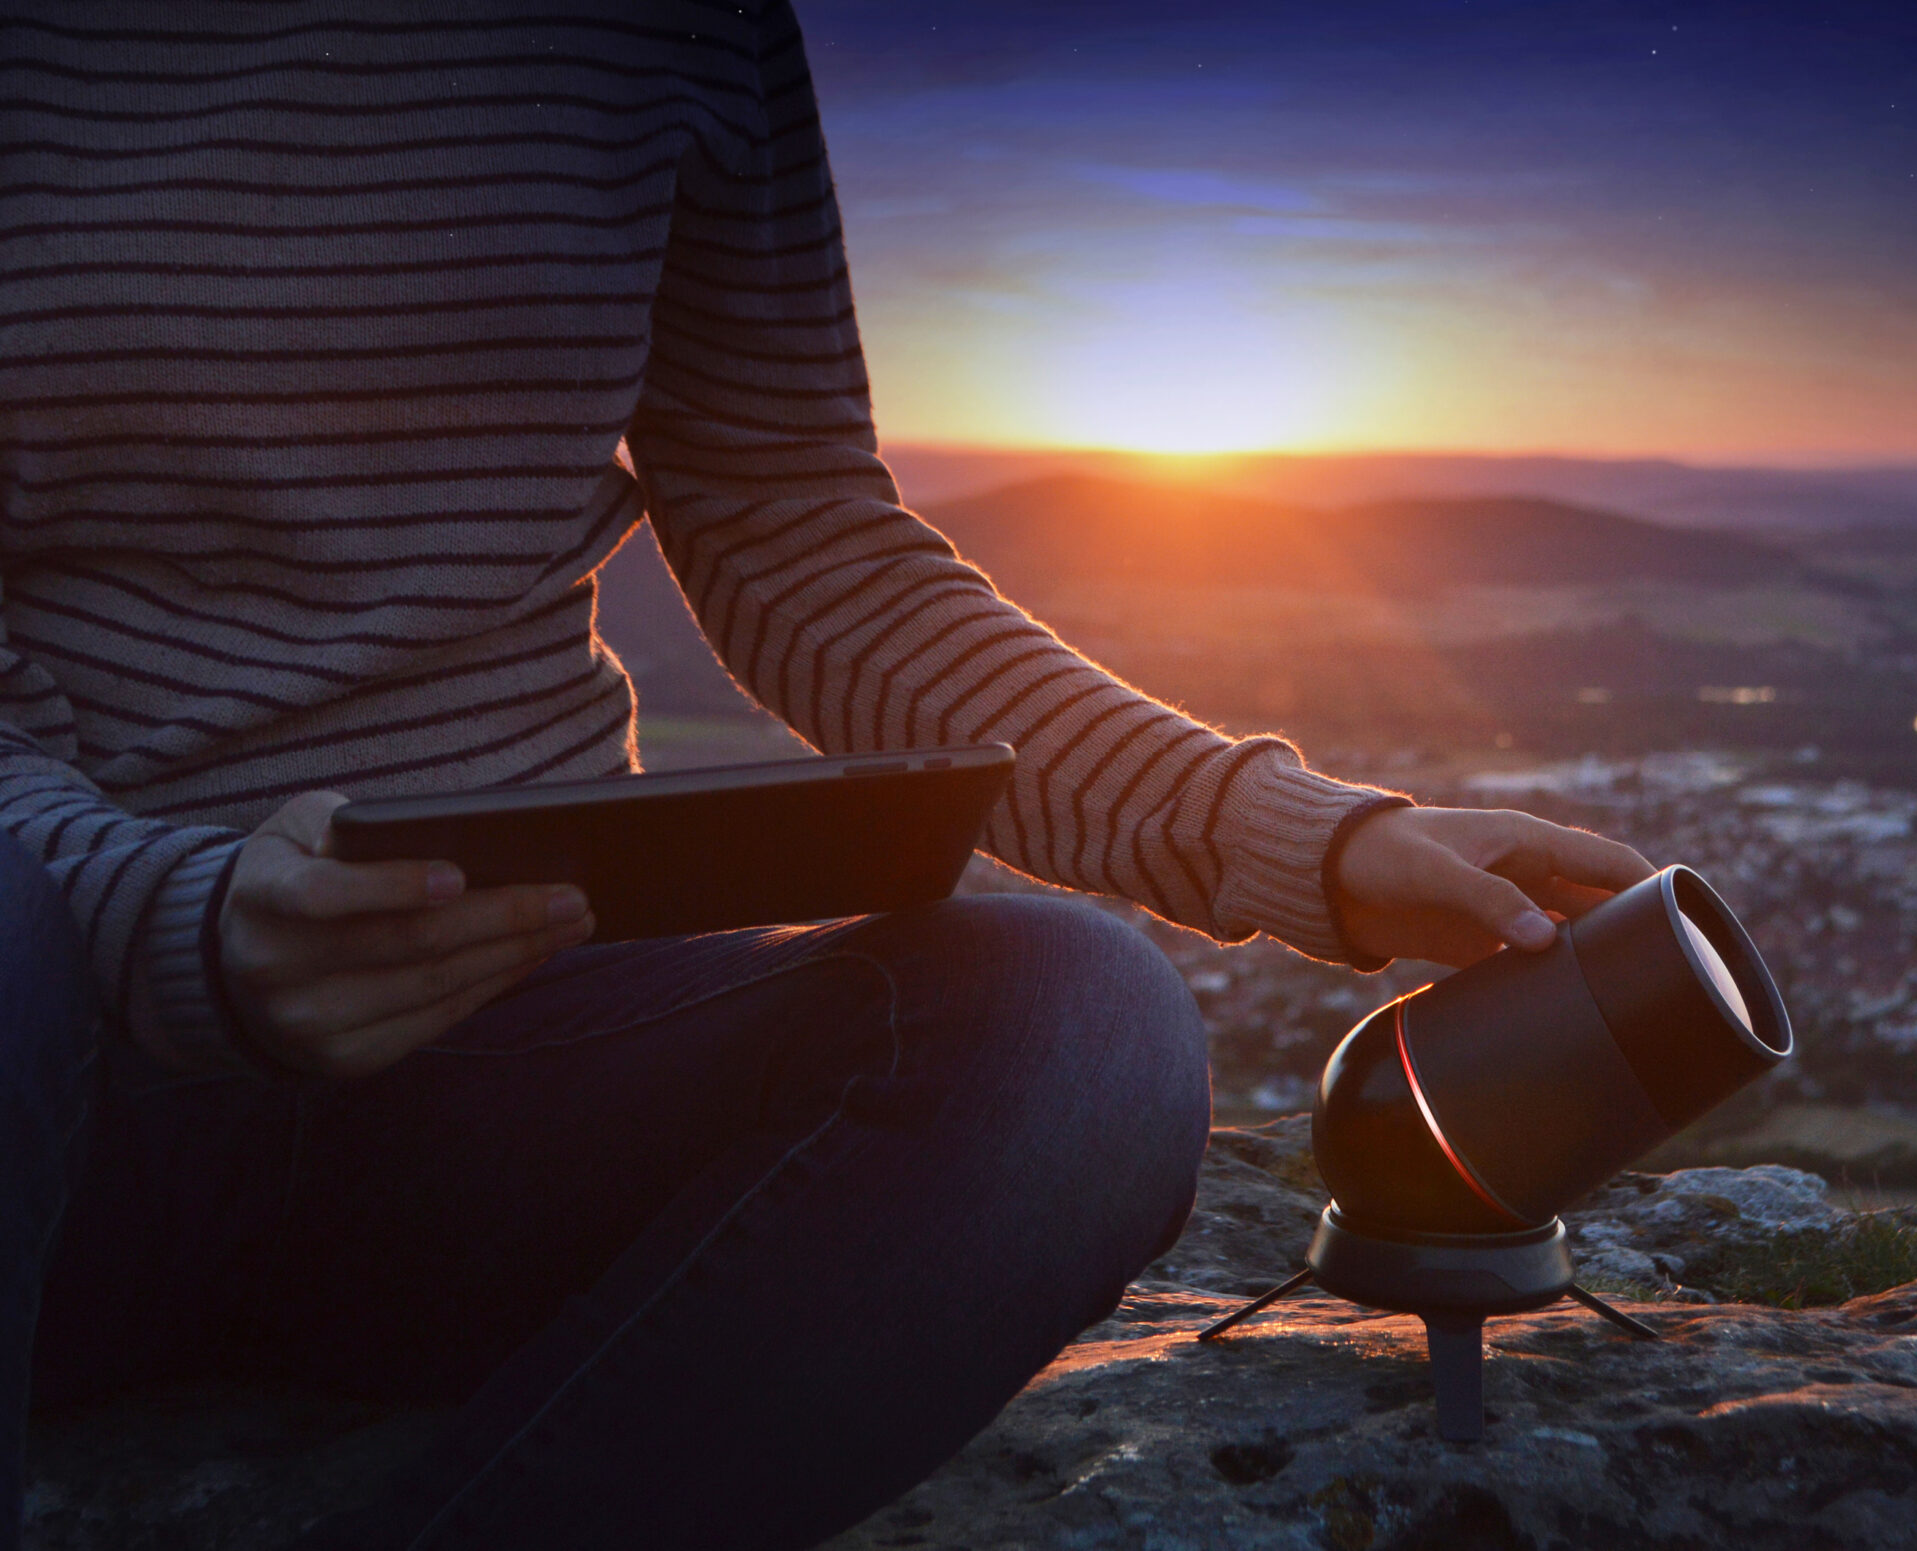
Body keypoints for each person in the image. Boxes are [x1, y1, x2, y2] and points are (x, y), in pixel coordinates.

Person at [0, 6, 1652, 1547]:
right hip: (65, 1074)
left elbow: (795, 526)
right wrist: (180, 924)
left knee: (1083, 1031)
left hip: (514, 1060)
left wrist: (1279, 830)